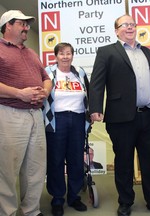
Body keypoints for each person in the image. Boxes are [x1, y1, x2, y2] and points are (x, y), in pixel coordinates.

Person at [89, 14, 150, 216]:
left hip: (149, 116)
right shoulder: (107, 52)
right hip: (121, 118)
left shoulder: (147, 52)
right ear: (116, 30)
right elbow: (97, 83)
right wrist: (95, 108)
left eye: (132, 24)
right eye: (125, 24)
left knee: (149, 161)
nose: (129, 27)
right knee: (124, 161)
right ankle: (126, 202)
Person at [0, 10, 52, 216]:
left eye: (27, 24)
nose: (27, 28)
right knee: (8, 169)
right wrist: (19, 94)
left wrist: (45, 92)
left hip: (35, 115)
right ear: (8, 26)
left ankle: (32, 210)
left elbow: (46, 78)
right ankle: (7, 212)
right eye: (22, 24)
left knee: (35, 167)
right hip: (10, 114)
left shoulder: (31, 53)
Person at [43, 42, 91, 216]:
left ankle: (74, 196)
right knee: (55, 160)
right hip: (57, 119)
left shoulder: (80, 72)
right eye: (61, 53)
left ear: (72, 55)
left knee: (76, 159)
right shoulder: (48, 72)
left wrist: (91, 114)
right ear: (56, 56)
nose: (65, 56)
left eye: (68, 53)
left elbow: (89, 93)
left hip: (78, 118)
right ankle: (57, 199)